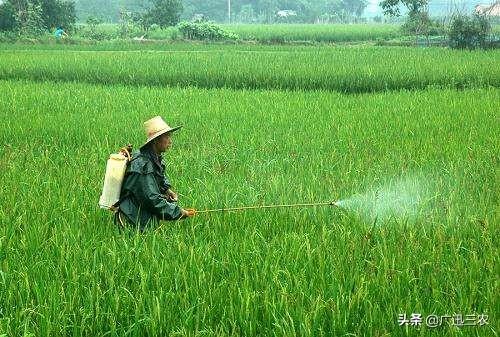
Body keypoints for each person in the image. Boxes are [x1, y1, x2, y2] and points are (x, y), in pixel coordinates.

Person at [114, 116, 196, 231]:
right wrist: (178, 212)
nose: (170, 141)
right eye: (166, 137)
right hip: (131, 220)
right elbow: (152, 199)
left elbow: (159, 177)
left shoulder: (153, 157)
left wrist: (167, 190)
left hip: (141, 216)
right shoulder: (142, 165)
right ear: (156, 140)